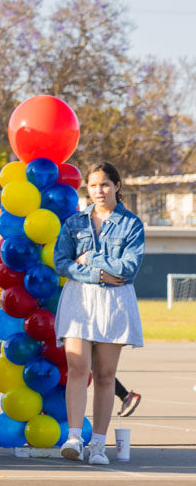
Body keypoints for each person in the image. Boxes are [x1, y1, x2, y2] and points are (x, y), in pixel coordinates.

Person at [56, 163, 145, 465]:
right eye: (93, 186)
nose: (99, 191)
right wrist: (99, 275)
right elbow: (61, 262)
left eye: (105, 185)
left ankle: (97, 445)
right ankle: (73, 438)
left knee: (105, 375)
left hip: (114, 302)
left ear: (117, 186)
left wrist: (90, 258)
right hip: (79, 299)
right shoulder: (74, 223)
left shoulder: (131, 224)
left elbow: (128, 268)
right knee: (78, 367)